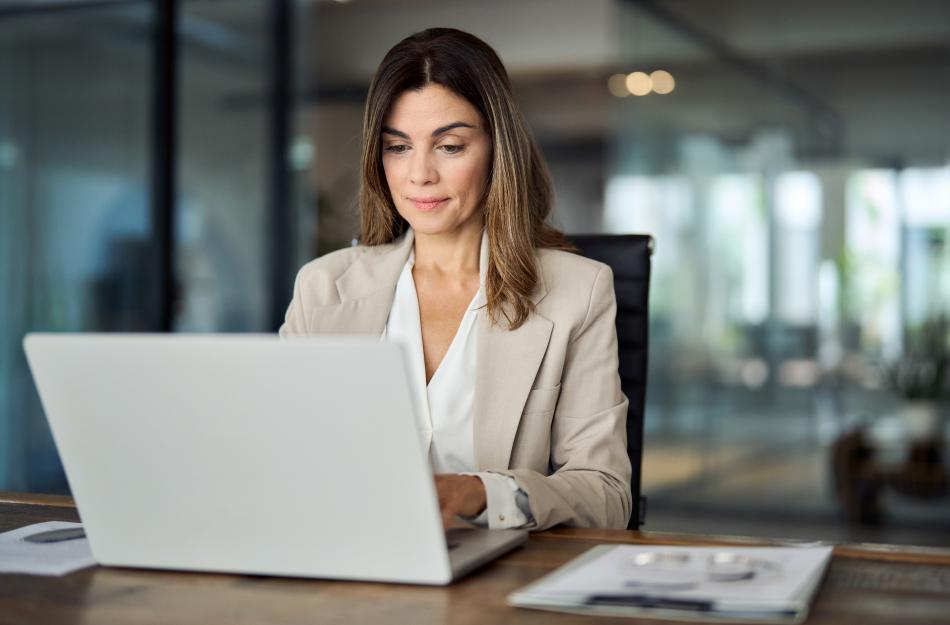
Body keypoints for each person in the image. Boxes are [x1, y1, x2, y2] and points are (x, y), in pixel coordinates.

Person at [279, 27, 630, 530]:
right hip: (349, 567)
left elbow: (607, 495)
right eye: (398, 147)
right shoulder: (322, 288)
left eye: (449, 146)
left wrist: (480, 493)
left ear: (495, 149)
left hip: (496, 581)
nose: (420, 174)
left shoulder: (578, 292)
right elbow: (278, 457)